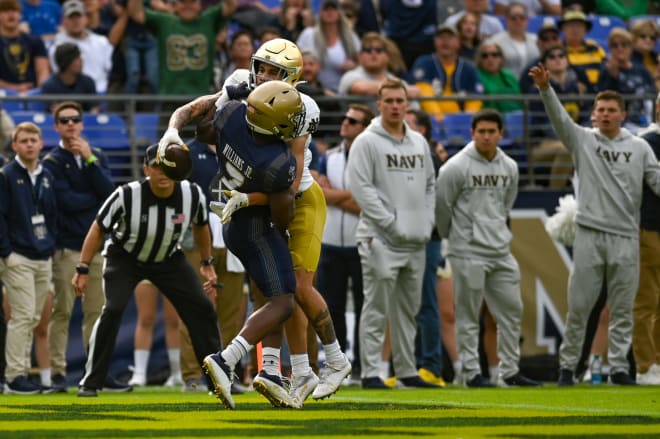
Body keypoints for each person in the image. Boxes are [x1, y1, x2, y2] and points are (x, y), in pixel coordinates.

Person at [209, 38, 352, 407]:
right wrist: (174, 129)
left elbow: (288, 181)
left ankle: (336, 360)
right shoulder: (241, 81)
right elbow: (207, 115)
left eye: (276, 72)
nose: (266, 76)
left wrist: (245, 196)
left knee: (298, 287)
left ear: (292, 77)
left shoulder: (302, 107)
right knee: (273, 289)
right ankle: (289, 370)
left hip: (298, 199)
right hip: (263, 200)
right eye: (264, 68)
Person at [169, 81, 301, 410]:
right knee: (284, 302)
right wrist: (282, 225)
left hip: (231, 222)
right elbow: (282, 210)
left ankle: (270, 373)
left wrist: (226, 98)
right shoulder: (279, 162)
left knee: (271, 299)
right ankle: (226, 360)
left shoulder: (230, 114)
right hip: (256, 227)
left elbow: (204, 134)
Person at [529, 63, 660, 386]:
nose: (604, 114)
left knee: (623, 308)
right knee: (579, 306)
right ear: (593, 115)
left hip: (627, 236)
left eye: (611, 110)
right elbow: (559, 119)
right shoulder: (583, 141)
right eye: (599, 109)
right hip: (590, 233)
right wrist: (546, 89)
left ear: (622, 115)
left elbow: (658, 182)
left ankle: (618, 368)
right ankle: (568, 367)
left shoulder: (640, 147)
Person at [75, 144, 222, 397]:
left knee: (203, 309)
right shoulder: (126, 194)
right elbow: (98, 227)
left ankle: (217, 380)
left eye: (168, 167)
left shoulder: (191, 193)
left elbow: (200, 226)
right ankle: (91, 381)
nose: (162, 172)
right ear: (146, 169)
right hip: (125, 257)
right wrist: (83, 267)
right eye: (156, 166)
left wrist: (207, 263)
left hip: (167, 257)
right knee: (113, 309)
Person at [435, 108, 540, 388]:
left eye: (491, 131)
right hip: (467, 249)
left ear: (501, 134)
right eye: (481, 131)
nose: (486, 136)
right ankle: (471, 372)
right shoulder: (455, 167)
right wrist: (454, 239)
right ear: (472, 133)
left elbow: (506, 205)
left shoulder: (510, 167)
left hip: (500, 250)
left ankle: (509, 371)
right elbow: (441, 208)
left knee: (512, 311)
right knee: (468, 314)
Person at [347, 78, 439, 390]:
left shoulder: (418, 142)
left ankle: (406, 370)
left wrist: (425, 222)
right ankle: (371, 372)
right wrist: (389, 223)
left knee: (408, 310)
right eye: (390, 101)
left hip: (414, 239)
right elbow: (361, 188)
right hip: (379, 238)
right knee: (376, 306)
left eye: (401, 101)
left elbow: (430, 184)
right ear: (380, 104)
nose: (397, 106)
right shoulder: (366, 142)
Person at [42, 101, 116, 393]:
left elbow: (109, 196)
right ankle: (58, 375)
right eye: (64, 120)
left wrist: (89, 161)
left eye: (75, 119)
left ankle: (93, 373)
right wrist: (93, 197)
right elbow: (65, 202)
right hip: (66, 248)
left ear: (82, 124)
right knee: (62, 311)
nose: (71, 124)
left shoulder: (95, 156)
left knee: (96, 313)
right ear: (57, 126)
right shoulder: (52, 162)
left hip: (96, 247)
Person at [316, 103, 374, 380]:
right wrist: (350, 196)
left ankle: (363, 364)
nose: (345, 123)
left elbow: (369, 203)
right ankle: (338, 363)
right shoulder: (329, 156)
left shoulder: (370, 157)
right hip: (330, 242)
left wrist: (334, 195)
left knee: (365, 307)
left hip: (361, 241)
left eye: (353, 121)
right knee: (332, 307)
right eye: (345, 119)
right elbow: (319, 194)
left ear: (364, 128)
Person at [0, 122, 57, 394]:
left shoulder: (46, 174)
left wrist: (50, 245)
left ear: (41, 143)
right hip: (17, 255)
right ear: (15, 145)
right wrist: (6, 252)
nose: (30, 144)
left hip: (42, 253)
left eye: (34, 140)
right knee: (22, 316)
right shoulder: (6, 175)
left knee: (33, 317)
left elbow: (52, 213)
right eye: (24, 140)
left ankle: (21, 372)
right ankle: (14, 376)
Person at [404, 108, 445, 387]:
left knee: (425, 302)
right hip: (407, 235)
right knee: (407, 304)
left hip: (426, 237)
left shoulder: (428, 156)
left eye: (409, 124)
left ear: (422, 130)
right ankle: (411, 364)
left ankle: (430, 364)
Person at [633, 97, 660, 385]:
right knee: (647, 299)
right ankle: (644, 365)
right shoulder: (647, 141)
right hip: (651, 226)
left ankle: (658, 361)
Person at [411, 24, 483, 122]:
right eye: (441, 37)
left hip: (462, 121)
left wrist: (467, 120)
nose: (445, 41)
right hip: (431, 120)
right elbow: (423, 90)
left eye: (450, 38)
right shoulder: (424, 63)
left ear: (458, 42)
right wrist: (439, 119)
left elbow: (475, 98)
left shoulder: (469, 67)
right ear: (435, 42)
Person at [597, 28, 657, 133]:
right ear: (610, 49)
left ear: (631, 47)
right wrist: (614, 77)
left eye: (624, 44)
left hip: (648, 117)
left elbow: (653, 93)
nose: (620, 48)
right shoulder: (606, 71)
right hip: (623, 122)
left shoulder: (641, 70)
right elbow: (606, 99)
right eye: (615, 45)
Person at [49, 0, 114, 94]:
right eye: (71, 17)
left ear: (86, 18)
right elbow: (61, 77)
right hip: (76, 95)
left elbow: (110, 69)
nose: (75, 21)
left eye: (78, 16)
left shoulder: (102, 41)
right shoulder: (57, 47)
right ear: (64, 21)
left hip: (104, 92)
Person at [295, 0, 360, 93]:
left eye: (333, 9)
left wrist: (354, 66)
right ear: (320, 12)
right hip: (312, 90)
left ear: (339, 12)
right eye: (326, 9)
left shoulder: (351, 37)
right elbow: (294, 60)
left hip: (342, 93)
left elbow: (361, 64)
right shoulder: (308, 34)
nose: (329, 12)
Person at [127, 280, 183, 387]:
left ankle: (177, 373)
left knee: (174, 320)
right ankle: (139, 373)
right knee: (145, 319)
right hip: (144, 270)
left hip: (170, 271)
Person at [0, 0, 50, 93]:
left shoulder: (35, 41)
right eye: (5, 11)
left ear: (20, 14)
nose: (11, 14)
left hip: (33, 93)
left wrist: (39, 91)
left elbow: (43, 71)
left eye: (14, 10)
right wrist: (15, 89)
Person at [40, 42, 100, 113]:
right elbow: (53, 112)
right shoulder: (49, 86)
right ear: (66, 62)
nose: (81, 61)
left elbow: (94, 109)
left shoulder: (88, 82)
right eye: (77, 59)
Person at [487, 3, 539, 79]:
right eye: (513, 18)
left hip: (533, 85)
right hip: (508, 86)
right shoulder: (494, 41)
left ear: (527, 20)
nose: (518, 21)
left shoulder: (536, 40)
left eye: (522, 17)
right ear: (506, 19)